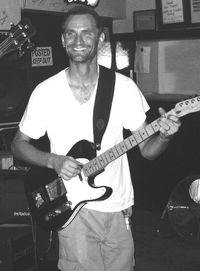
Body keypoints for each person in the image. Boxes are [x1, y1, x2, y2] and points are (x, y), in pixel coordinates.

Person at [11, 5, 181, 271]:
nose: (78, 41)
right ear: (62, 39)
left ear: (100, 37)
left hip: (118, 209)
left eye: (86, 33)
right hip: (72, 208)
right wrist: (53, 161)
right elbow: (18, 145)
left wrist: (165, 137)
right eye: (71, 34)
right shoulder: (45, 92)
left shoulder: (124, 89)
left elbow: (147, 150)